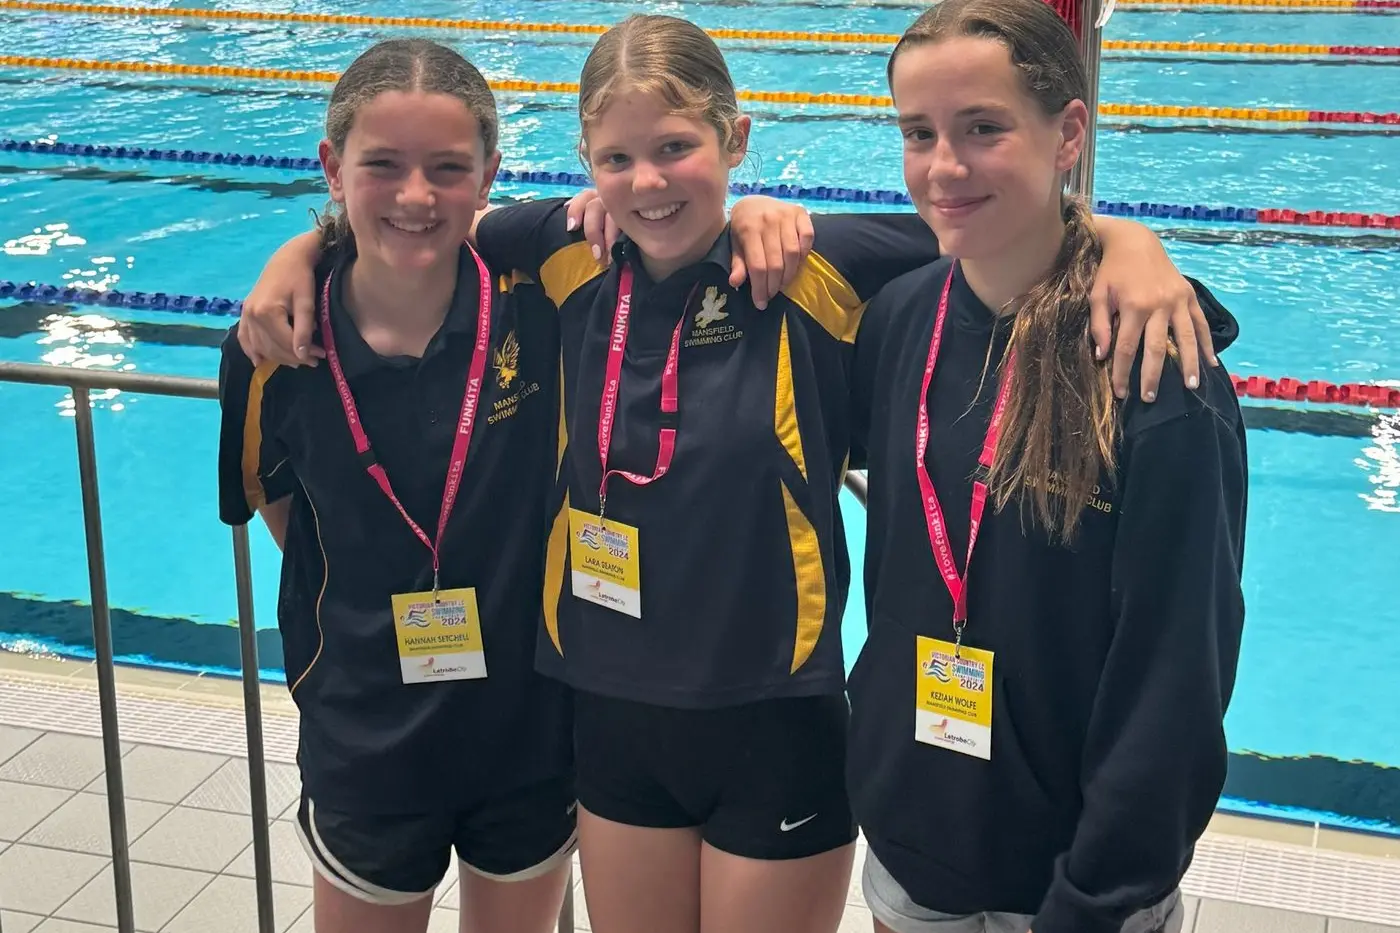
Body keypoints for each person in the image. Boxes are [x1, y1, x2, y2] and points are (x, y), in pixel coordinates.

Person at [233, 16, 1220, 933]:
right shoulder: (563, 258)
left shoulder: (811, 265)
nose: (648, 182)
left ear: (735, 140)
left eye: (674, 148)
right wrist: (296, 251)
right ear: (585, 164)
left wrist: (1132, 246)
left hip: (773, 720)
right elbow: (414, 226)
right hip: (609, 712)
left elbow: (994, 234)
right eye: (615, 158)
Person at [845, 2, 1248, 932]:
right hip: (912, 856)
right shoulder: (901, 317)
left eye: (984, 129)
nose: (944, 167)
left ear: (1068, 132)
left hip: (1075, 888)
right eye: (919, 133)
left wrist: (1097, 899)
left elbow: (1175, 677)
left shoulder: (1155, 370)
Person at [216, 39, 577, 933]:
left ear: (490, 174)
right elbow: (275, 500)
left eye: (449, 169)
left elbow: (663, 222)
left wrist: (761, 208)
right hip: (365, 730)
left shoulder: (544, 304)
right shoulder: (272, 348)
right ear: (333, 168)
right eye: (383, 165)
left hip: (529, 725)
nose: (417, 197)